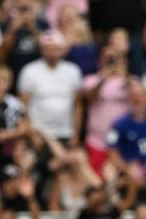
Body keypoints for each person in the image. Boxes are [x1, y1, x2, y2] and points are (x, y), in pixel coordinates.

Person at [17, 30, 83, 144]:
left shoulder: (73, 71)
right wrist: (31, 133)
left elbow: (77, 105)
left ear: (61, 50)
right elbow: (23, 106)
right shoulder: (29, 71)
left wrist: (76, 134)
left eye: (55, 48)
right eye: (48, 49)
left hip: (65, 132)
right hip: (39, 133)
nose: (51, 52)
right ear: (42, 50)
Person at [76, 46, 132, 175]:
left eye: (114, 58)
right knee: (96, 184)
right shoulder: (91, 79)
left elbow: (139, 99)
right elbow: (88, 98)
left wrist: (124, 74)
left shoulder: (128, 80)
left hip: (122, 144)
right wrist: (103, 78)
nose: (110, 61)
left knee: (120, 185)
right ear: (99, 60)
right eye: (107, 58)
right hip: (97, 141)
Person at [106, 81, 146, 181]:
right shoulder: (118, 124)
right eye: (133, 96)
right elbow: (112, 153)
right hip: (126, 174)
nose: (137, 99)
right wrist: (128, 169)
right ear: (128, 98)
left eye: (140, 96)